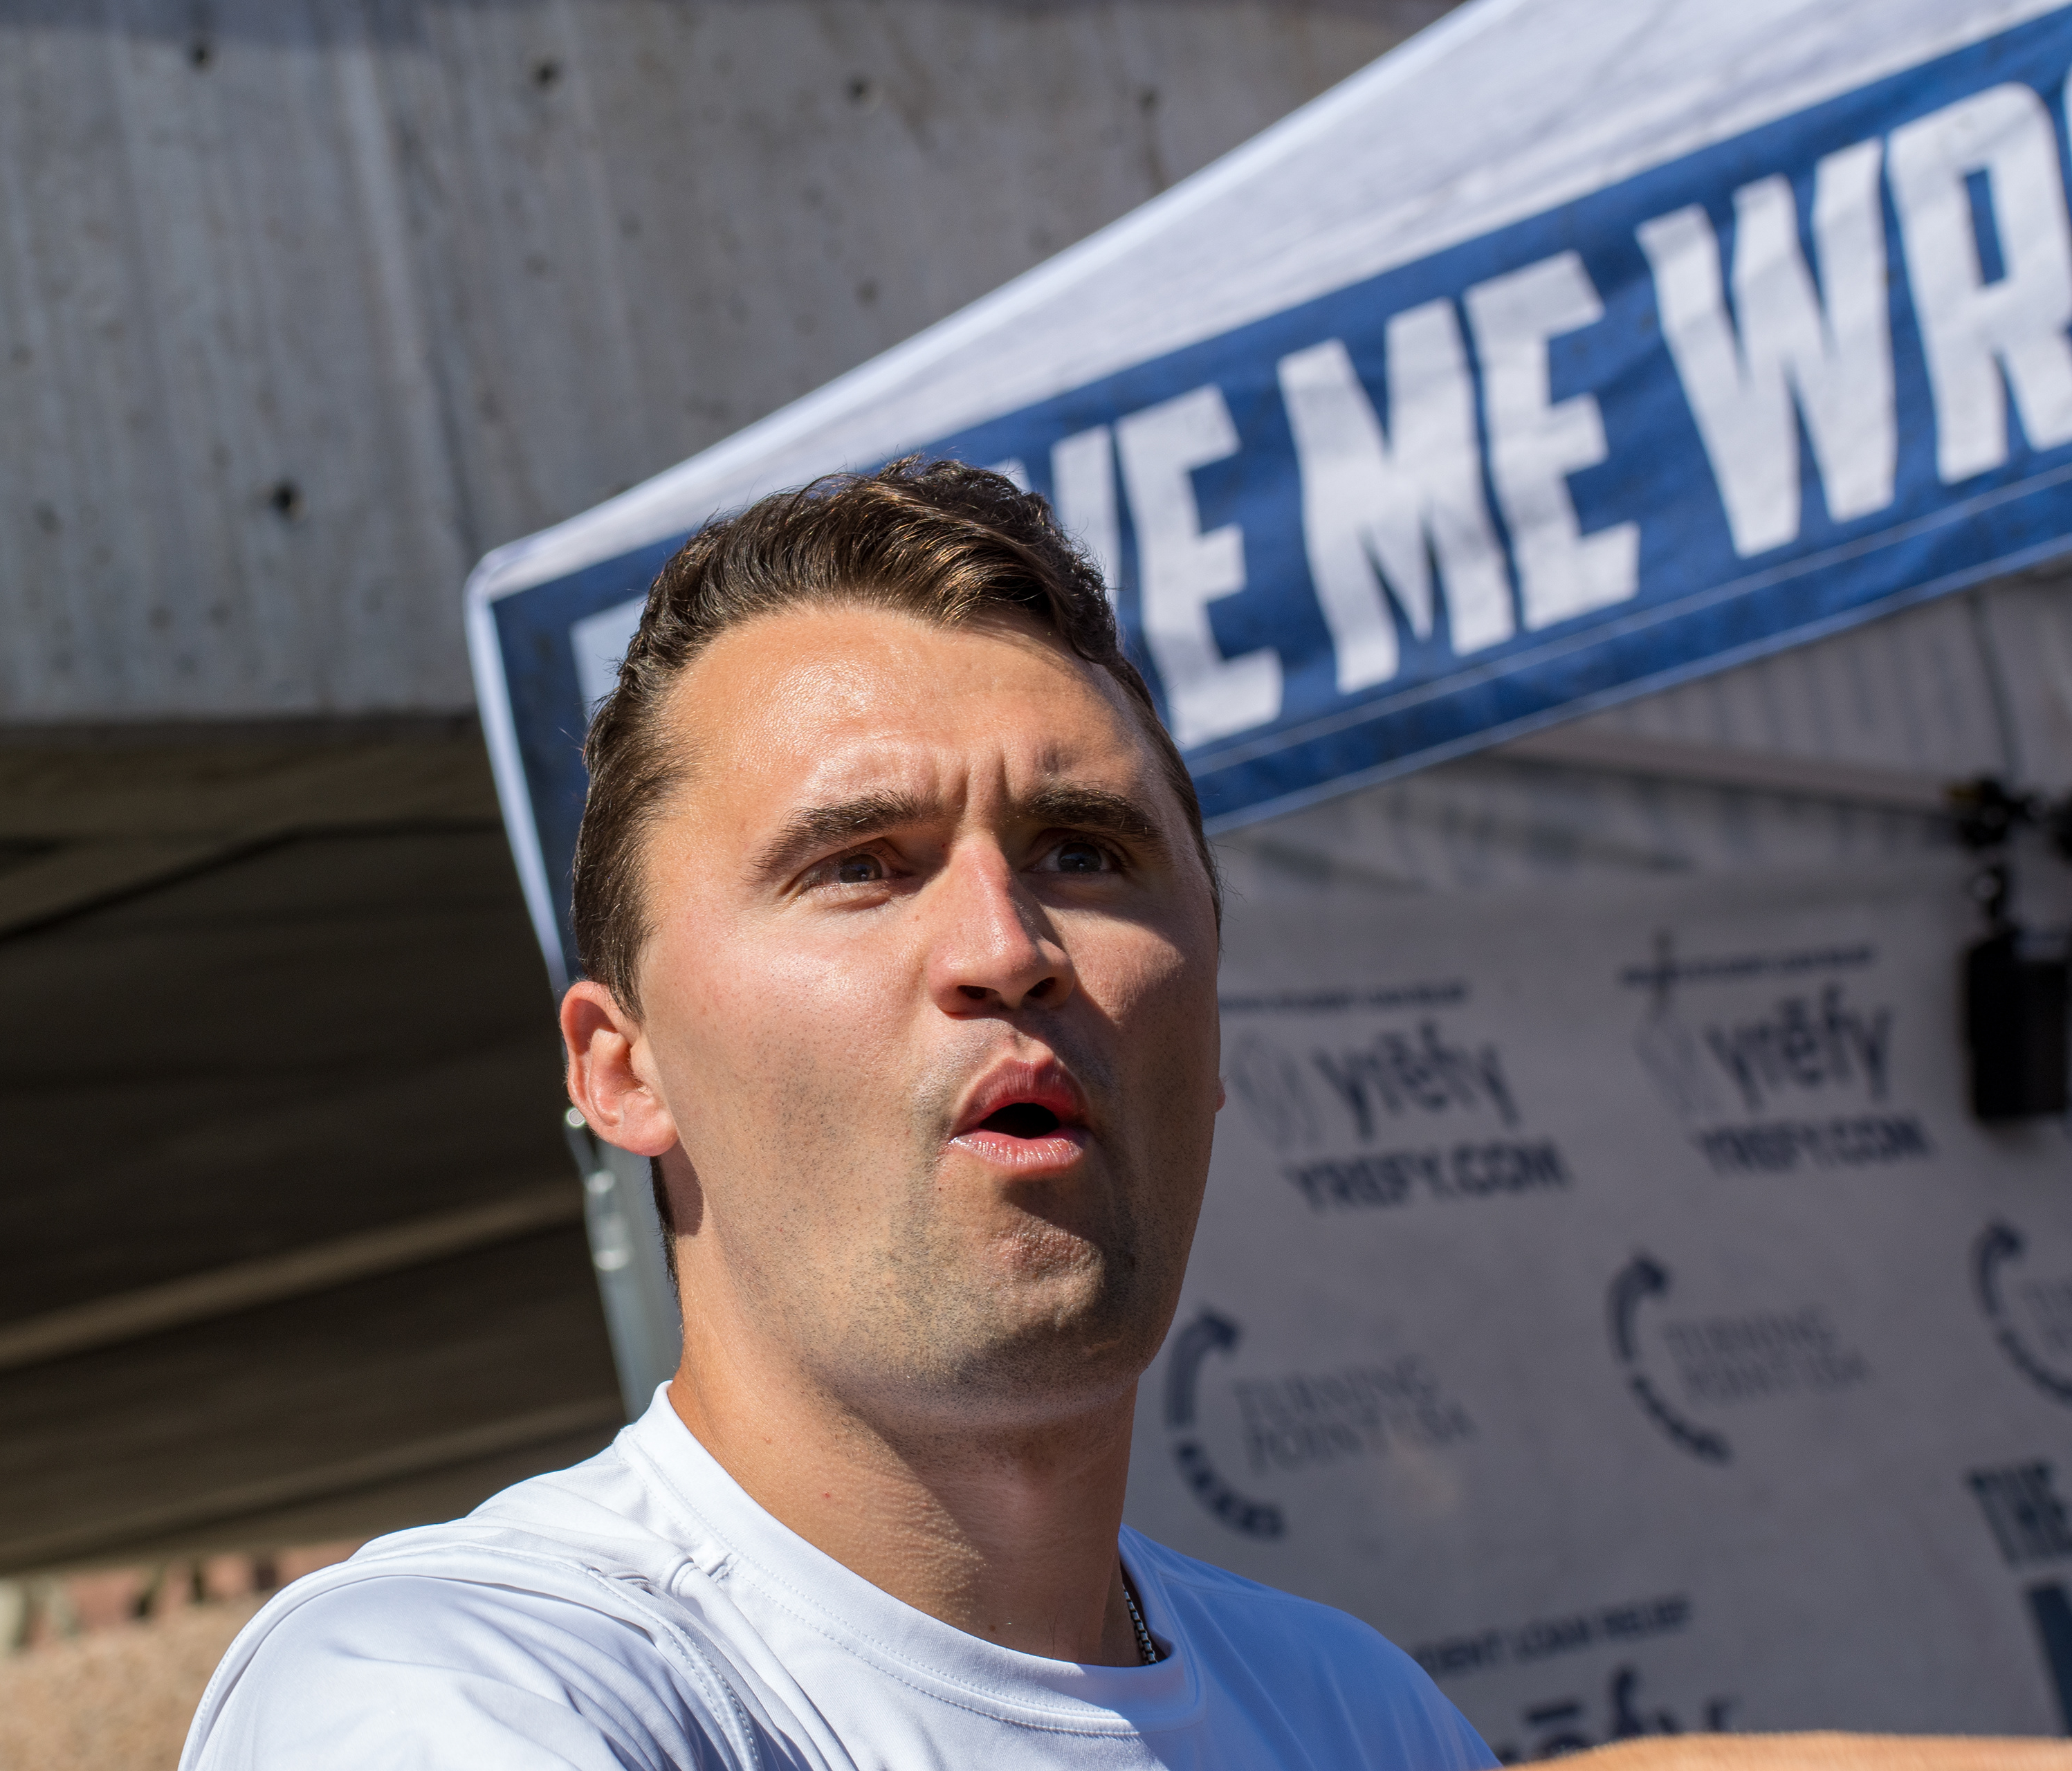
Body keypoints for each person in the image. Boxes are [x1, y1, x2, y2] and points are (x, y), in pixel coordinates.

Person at [180, 460, 1496, 1767]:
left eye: (1084, 852)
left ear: (1210, 1033)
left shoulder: (1354, 1711)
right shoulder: (449, 1689)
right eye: (860, 866)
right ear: (625, 1072)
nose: (1007, 944)